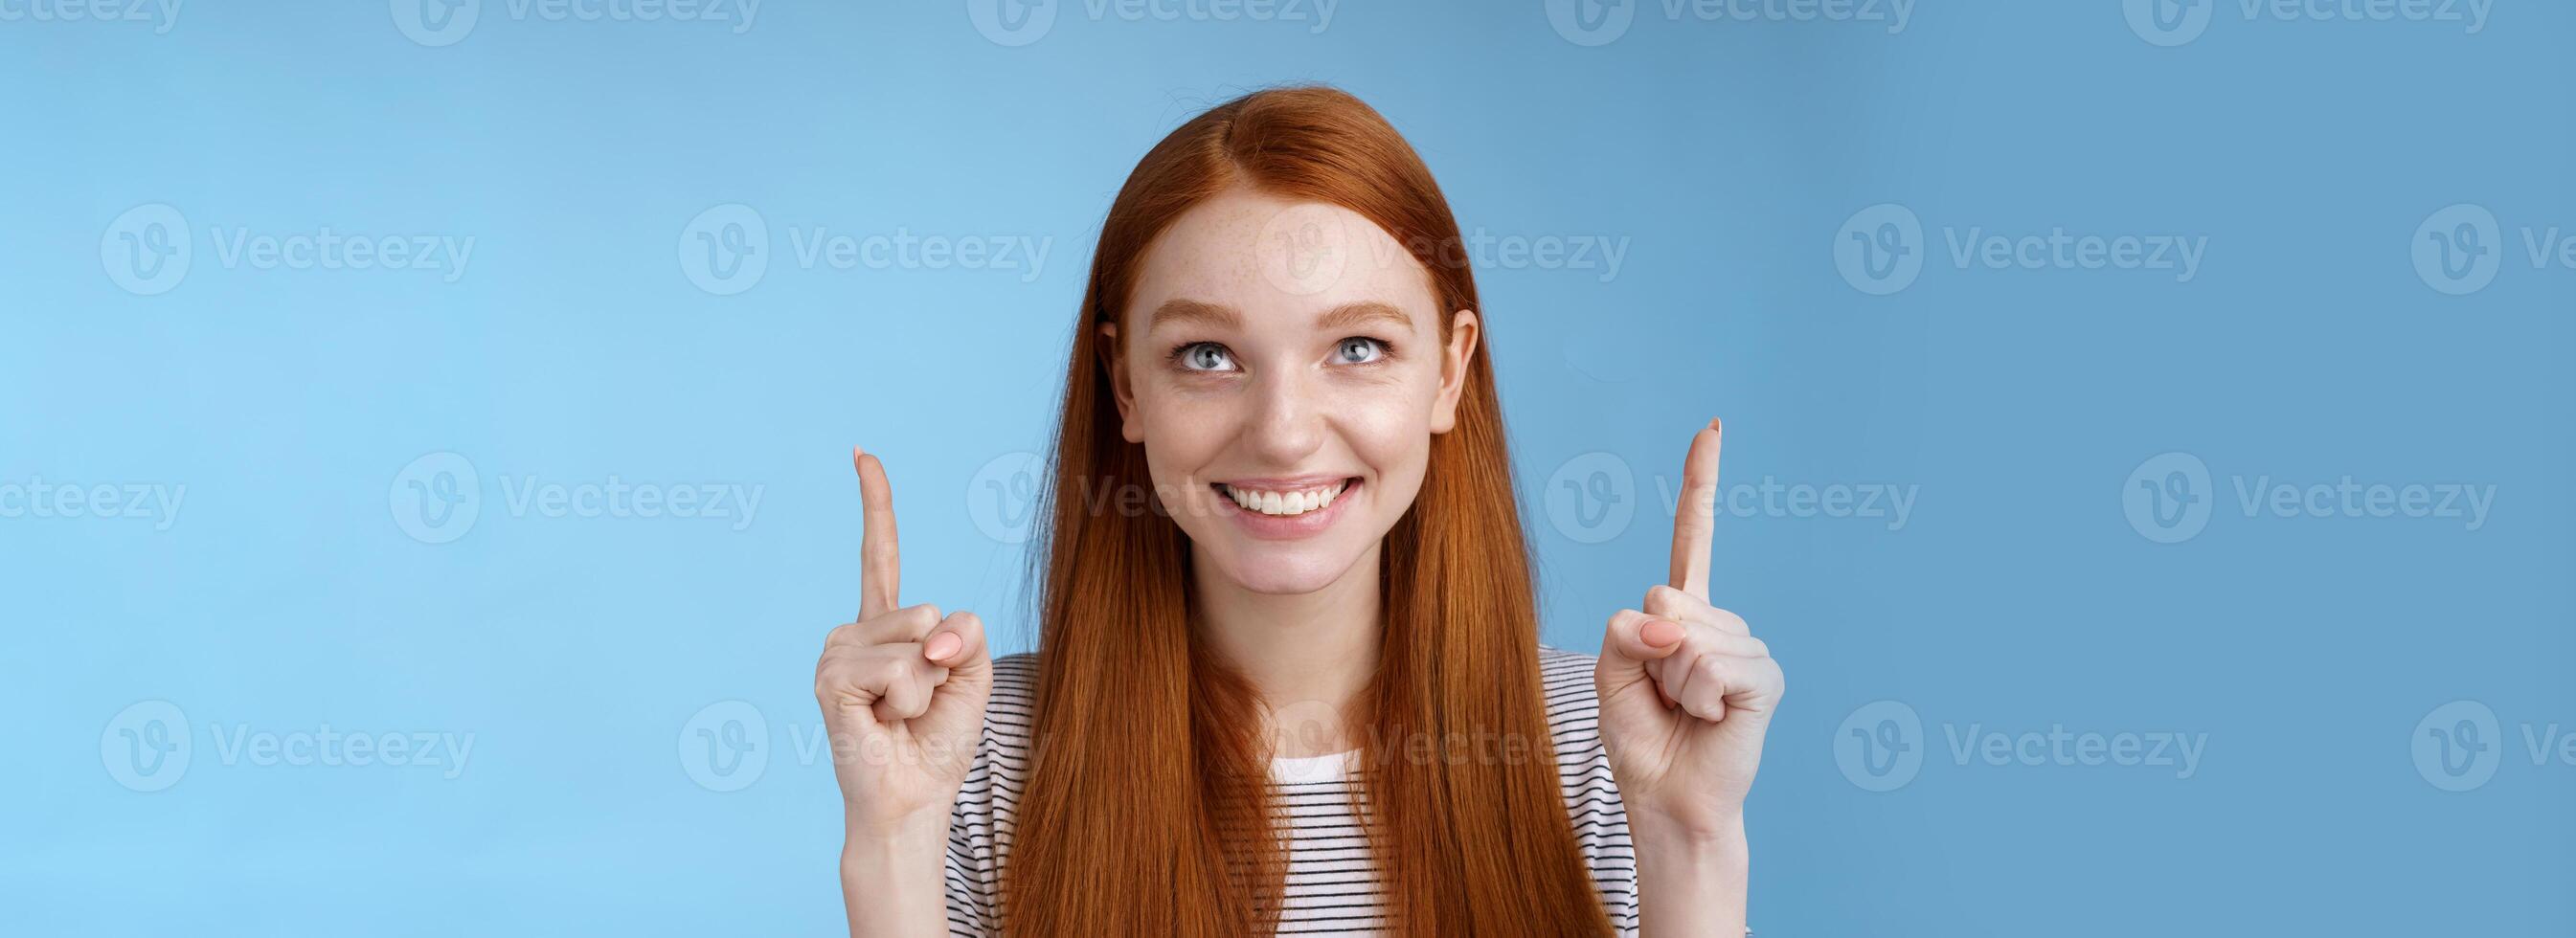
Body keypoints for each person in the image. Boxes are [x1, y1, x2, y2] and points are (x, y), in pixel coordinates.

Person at [812, 85, 1783, 937]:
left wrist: (1689, 841)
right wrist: (892, 841)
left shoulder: (1603, 745)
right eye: (1205, 354)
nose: (1281, 433)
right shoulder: (979, 750)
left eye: (1356, 347)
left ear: (1447, 373)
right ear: (1125, 387)